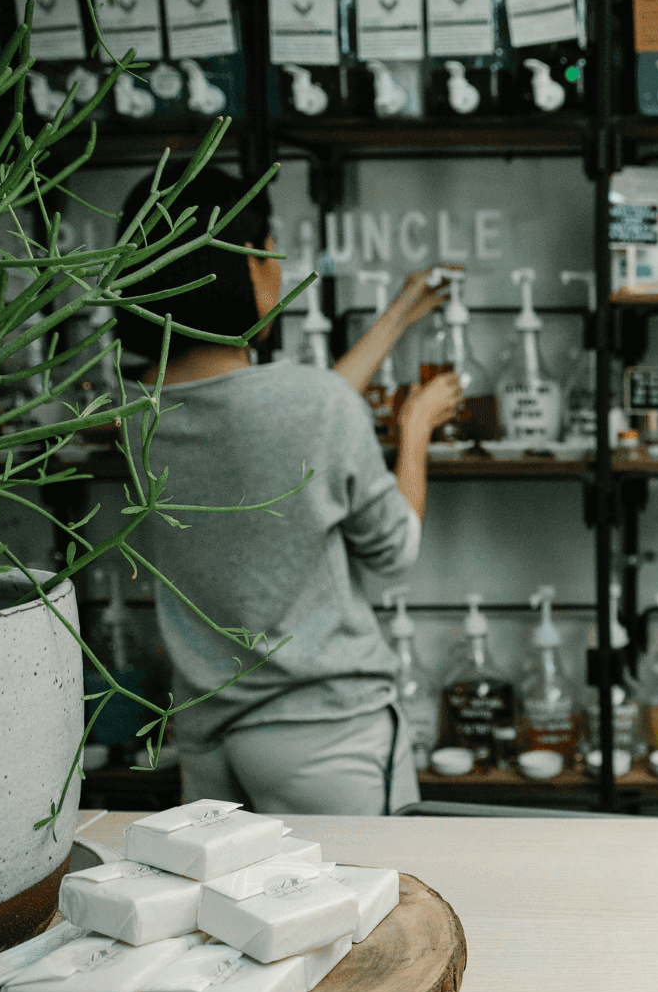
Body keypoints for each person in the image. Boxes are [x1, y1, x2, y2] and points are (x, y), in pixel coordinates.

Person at [117, 162, 461, 815]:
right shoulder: (314, 406)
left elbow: (292, 415)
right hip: (327, 735)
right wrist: (414, 431)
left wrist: (396, 316)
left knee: (236, 915)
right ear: (244, 268)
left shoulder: (139, 413)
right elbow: (396, 555)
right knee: (362, 917)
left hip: (208, 740)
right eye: (268, 249)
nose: (277, 264)